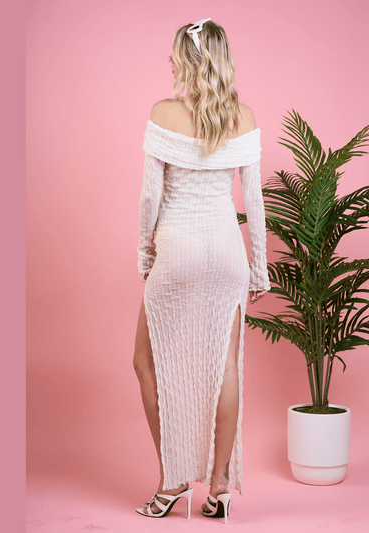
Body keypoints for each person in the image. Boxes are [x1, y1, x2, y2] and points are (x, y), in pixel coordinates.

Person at [133, 18, 270, 523]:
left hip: (178, 247)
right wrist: (258, 269)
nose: (169, 60)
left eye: (175, 53)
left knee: (147, 362)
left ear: (189, 60)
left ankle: (172, 481)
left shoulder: (163, 113)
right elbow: (254, 202)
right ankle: (219, 489)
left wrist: (144, 254)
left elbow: (150, 198)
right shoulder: (244, 117)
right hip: (226, 250)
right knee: (225, 365)